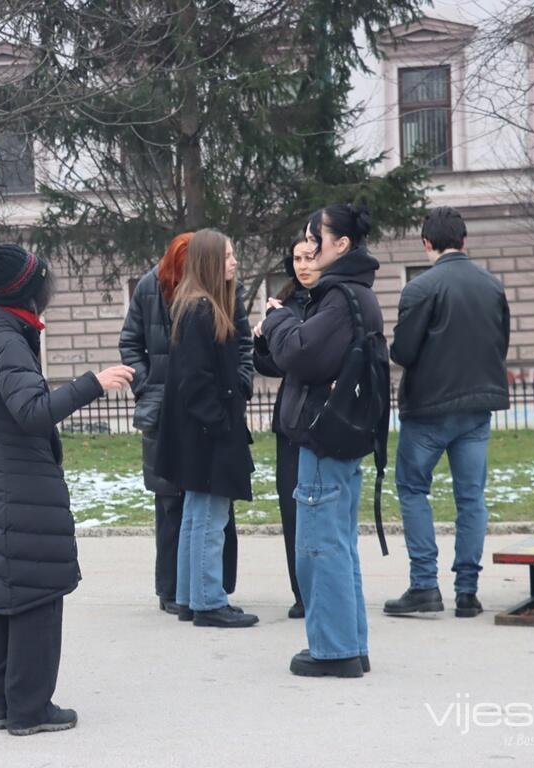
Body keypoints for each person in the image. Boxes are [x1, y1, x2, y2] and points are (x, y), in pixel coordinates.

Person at [0, 233, 134, 736]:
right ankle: (29, 708)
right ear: (28, 290)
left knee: (5, 593)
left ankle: (5, 702)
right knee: (35, 595)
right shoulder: (7, 340)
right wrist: (92, 383)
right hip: (21, 486)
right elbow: (31, 412)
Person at [261, 203, 386, 678]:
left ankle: (334, 651)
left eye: (319, 236)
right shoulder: (353, 292)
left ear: (342, 245)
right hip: (341, 436)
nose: (310, 244)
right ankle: (350, 645)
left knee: (319, 548)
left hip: (321, 436)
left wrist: (276, 321)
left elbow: (302, 355)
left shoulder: (339, 297)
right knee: (338, 544)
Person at [383, 206, 510, 619]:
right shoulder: (492, 287)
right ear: (464, 240)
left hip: (428, 409)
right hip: (477, 407)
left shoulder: (421, 288)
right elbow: (500, 344)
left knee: (414, 489)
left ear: (426, 243)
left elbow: (403, 352)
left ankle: (424, 585)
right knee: (471, 498)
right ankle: (467, 592)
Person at [120, 233, 252, 615]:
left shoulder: (222, 293)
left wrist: (239, 385)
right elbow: (132, 344)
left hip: (203, 410)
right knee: (177, 505)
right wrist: (150, 388)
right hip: (171, 412)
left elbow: (240, 343)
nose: (233, 264)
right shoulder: (164, 293)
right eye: (226, 256)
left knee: (205, 508)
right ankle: (184, 592)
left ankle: (205, 590)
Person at [154, 229, 258, 629]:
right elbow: (196, 381)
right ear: (211, 262)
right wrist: (220, 424)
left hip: (199, 432)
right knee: (210, 518)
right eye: (228, 256)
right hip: (207, 432)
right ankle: (208, 600)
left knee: (198, 515)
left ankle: (190, 597)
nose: (234, 262)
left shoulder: (200, 305)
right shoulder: (200, 309)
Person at [251, 235, 320, 620]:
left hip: (325, 418)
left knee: (320, 508)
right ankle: (301, 591)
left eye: (310, 257)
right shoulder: (286, 300)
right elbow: (272, 364)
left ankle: (321, 588)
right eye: (297, 258)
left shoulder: (332, 301)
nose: (303, 264)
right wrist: (264, 336)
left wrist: (285, 324)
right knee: (291, 506)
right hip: (291, 418)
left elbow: (310, 352)